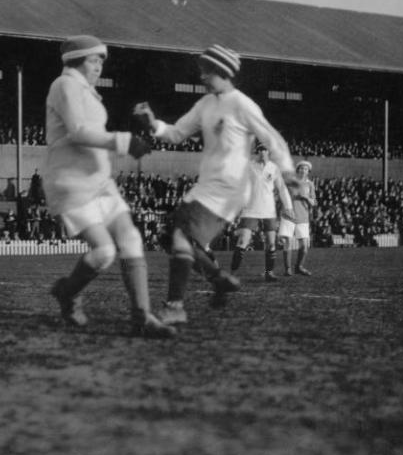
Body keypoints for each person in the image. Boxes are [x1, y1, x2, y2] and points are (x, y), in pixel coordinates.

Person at [132, 44, 297, 325]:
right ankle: (218, 278)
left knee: (182, 239)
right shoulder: (205, 105)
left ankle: (175, 306)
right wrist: (153, 124)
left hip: (229, 188)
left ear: (222, 71)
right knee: (169, 237)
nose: (202, 77)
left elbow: (272, 138)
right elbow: (176, 133)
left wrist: (288, 171)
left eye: (205, 71)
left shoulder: (242, 104)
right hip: (206, 187)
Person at [43, 35, 175, 338]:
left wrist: (126, 143)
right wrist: (124, 141)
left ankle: (142, 317)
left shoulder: (87, 92)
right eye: (94, 59)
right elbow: (77, 131)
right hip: (71, 183)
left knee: (131, 238)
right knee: (103, 252)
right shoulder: (64, 86)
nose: (100, 65)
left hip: (100, 181)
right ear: (75, 60)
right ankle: (67, 292)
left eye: (102, 60)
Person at [231, 144, 294, 281]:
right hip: (250, 209)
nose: (261, 152)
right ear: (256, 153)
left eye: (264, 150)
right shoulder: (249, 166)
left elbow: (282, 188)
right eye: (259, 150)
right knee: (243, 240)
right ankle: (232, 273)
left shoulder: (274, 168)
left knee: (271, 243)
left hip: (268, 210)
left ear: (268, 152)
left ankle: (268, 272)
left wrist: (288, 207)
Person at [277, 160, 316, 276]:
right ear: (297, 170)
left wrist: (305, 197)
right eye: (301, 168)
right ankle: (287, 269)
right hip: (288, 215)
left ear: (308, 171)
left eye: (305, 169)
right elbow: (282, 196)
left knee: (304, 246)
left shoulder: (310, 184)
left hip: (303, 216)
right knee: (287, 242)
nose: (303, 170)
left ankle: (299, 267)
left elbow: (313, 203)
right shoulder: (290, 182)